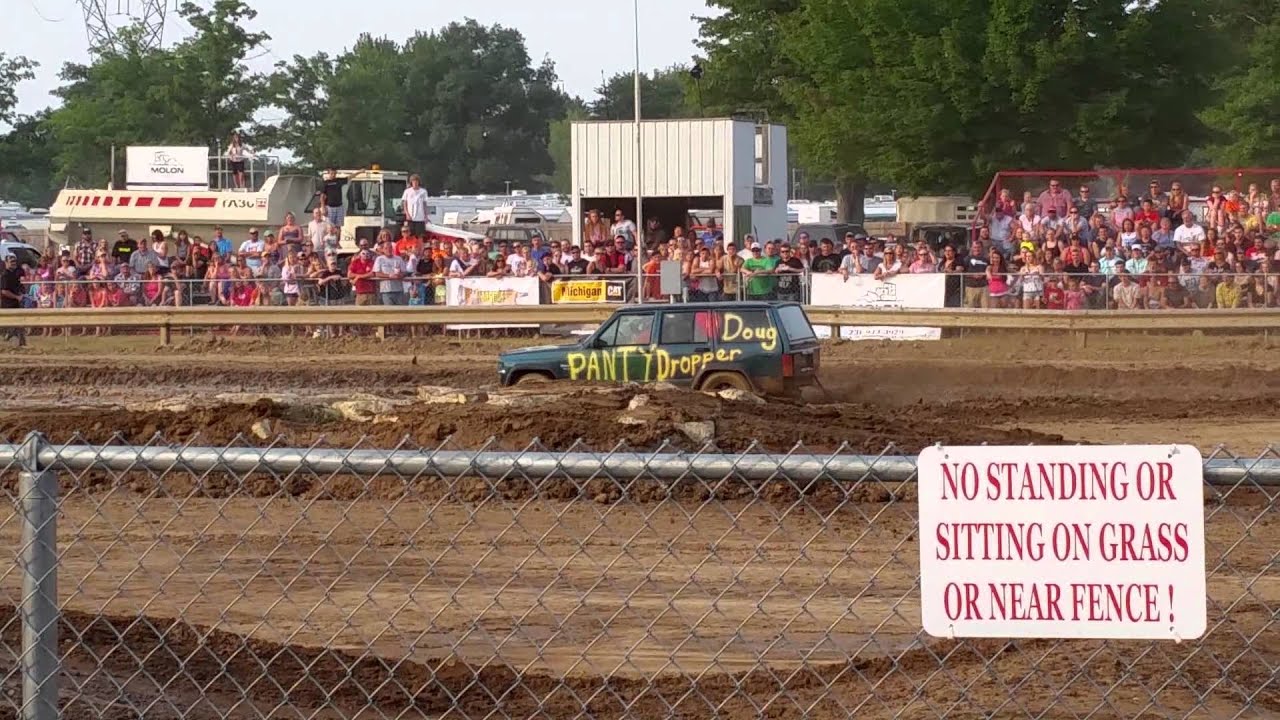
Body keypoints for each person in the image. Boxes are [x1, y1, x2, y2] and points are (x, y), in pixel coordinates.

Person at [0, 255, 26, 347]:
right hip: (8, 304)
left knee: (19, 323)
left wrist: (22, 291)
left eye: (15, 261)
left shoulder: (15, 274)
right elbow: (4, 291)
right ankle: (11, 337)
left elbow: (18, 286)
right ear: (6, 263)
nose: (14, 263)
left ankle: (21, 343)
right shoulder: (5, 275)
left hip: (16, 303)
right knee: (12, 325)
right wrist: (17, 297)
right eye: (11, 261)